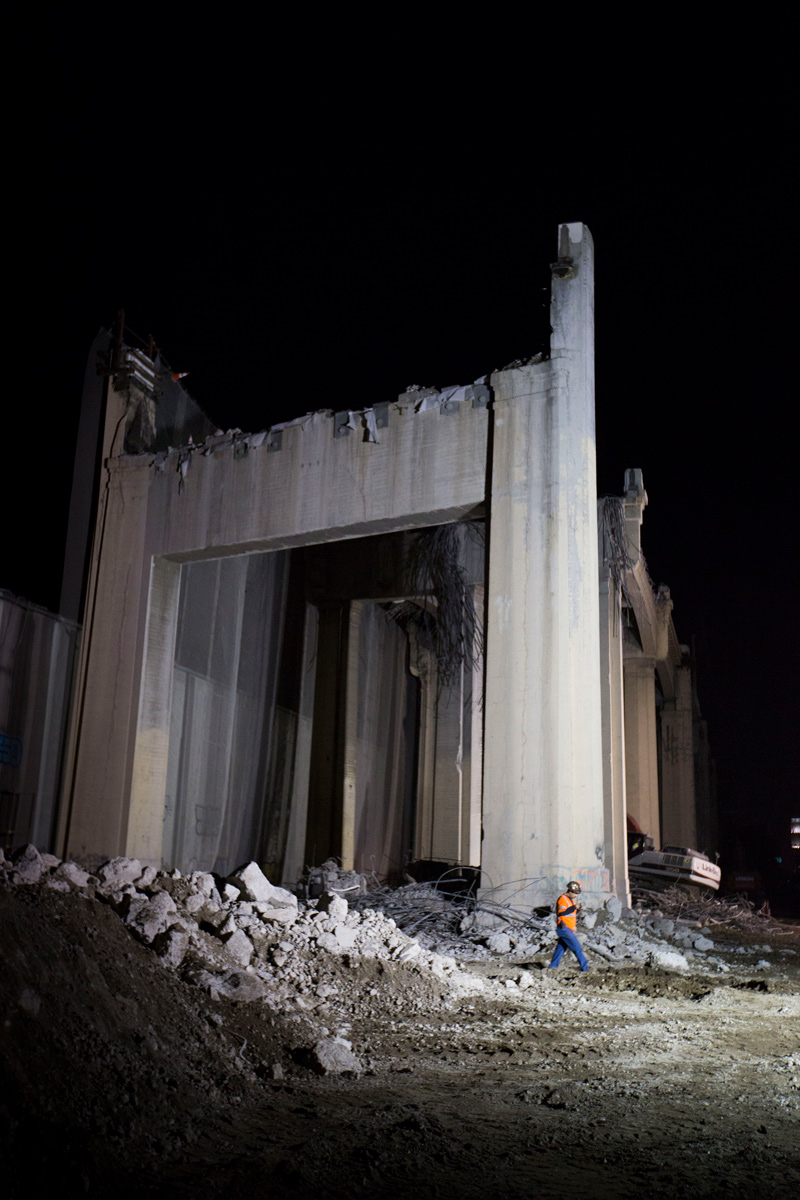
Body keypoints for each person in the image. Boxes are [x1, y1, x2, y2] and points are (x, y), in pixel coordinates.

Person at [547, 881, 589, 971]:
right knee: (577, 947)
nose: (576, 895)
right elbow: (562, 912)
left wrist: (578, 909)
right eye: (575, 893)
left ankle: (553, 967)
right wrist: (575, 907)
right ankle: (585, 967)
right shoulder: (562, 899)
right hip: (564, 928)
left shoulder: (571, 900)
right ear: (569, 891)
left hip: (568, 928)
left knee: (561, 948)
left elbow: (571, 913)